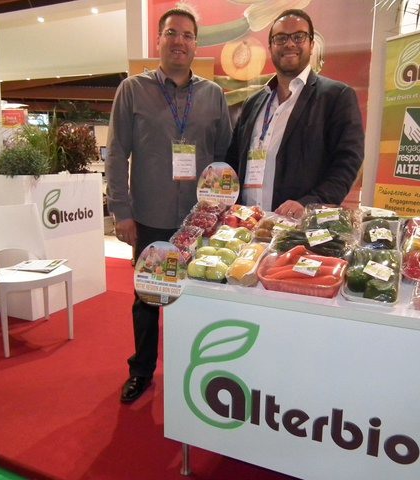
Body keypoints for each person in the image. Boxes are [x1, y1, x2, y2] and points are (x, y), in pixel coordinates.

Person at [105, 8, 232, 404]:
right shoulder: (132, 90)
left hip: (202, 220)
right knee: (148, 297)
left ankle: (196, 370)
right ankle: (141, 371)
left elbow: (225, 156)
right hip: (152, 217)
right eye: (172, 33)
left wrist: (225, 211)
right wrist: (122, 212)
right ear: (158, 40)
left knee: (201, 294)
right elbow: (116, 154)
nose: (180, 41)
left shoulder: (213, 95)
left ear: (196, 43)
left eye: (188, 35)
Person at [225, 9, 364, 220]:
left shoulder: (336, 96)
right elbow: (234, 160)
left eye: (298, 37)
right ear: (271, 46)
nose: (289, 44)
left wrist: (309, 203)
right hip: (247, 224)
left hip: (298, 227)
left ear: (311, 44)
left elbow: (348, 162)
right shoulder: (253, 104)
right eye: (281, 38)